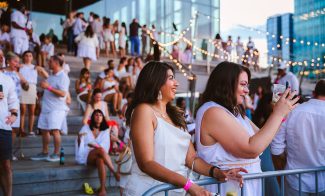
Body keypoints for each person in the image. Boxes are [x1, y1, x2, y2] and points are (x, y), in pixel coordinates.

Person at [124, 61, 246, 195]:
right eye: (171, 78)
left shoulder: (176, 116)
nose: (176, 83)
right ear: (155, 82)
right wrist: (188, 185)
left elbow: (191, 159)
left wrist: (217, 172)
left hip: (176, 191)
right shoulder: (144, 111)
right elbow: (146, 163)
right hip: (151, 191)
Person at [195, 61, 299, 195]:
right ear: (227, 84)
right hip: (228, 188)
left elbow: (263, 137)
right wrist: (277, 114)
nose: (247, 91)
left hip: (245, 186)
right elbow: (252, 149)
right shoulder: (213, 111)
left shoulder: (234, 111)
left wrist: (280, 113)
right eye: (243, 85)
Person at [271, 79, 325, 195]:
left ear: (313, 93)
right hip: (322, 182)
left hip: (294, 179)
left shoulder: (293, 111)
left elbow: (276, 149)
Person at [31, 55, 70, 162]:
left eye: (50, 62)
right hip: (46, 108)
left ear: (56, 63)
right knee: (44, 130)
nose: (48, 63)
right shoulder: (51, 76)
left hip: (56, 109)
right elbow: (50, 90)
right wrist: (42, 92)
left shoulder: (63, 77)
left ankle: (56, 154)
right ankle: (45, 152)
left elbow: (63, 94)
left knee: (55, 131)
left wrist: (48, 87)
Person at [76, 109, 120, 196]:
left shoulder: (106, 130)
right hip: (87, 154)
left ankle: (103, 189)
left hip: (100, 153)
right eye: (96, 115)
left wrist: (120, 143)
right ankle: (114, 172)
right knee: (100, 150)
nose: (98, 117)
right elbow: (80, 144)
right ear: (93, 117)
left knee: (100, 160)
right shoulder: (85, 127)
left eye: (100, 115)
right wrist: (79, 139)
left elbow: (106, 145)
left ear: (103, 118)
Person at [82, 89, 121, 153]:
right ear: (93, 96)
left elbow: (107, 117)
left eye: (100, 97)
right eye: (97, 97)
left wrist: (109, 125)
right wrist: (88, 129)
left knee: (114, 127)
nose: (99, 99)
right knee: (108, 130)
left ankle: (115, 146)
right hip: (93, 123)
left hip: (102, 122)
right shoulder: (90, 105)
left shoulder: (104, 104)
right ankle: (114, 147)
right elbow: (84, 120)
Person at [19, 51, 48, 137]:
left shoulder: (35, 67)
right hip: (22, 87)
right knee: (23, 110)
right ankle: (21, 130)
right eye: (26, 56)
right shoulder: (20, 66)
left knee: (32, 111)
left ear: (32, 57)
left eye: (30, 56)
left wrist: (41, 69)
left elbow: (47, 76)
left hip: (32, 88)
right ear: (24, 57)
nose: (28, 57)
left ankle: (30, 130)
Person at [0, 67, 19, 196]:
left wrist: (14, 115)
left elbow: (13, 101)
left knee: (5, 164)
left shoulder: (7, 79)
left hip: (3, 127)